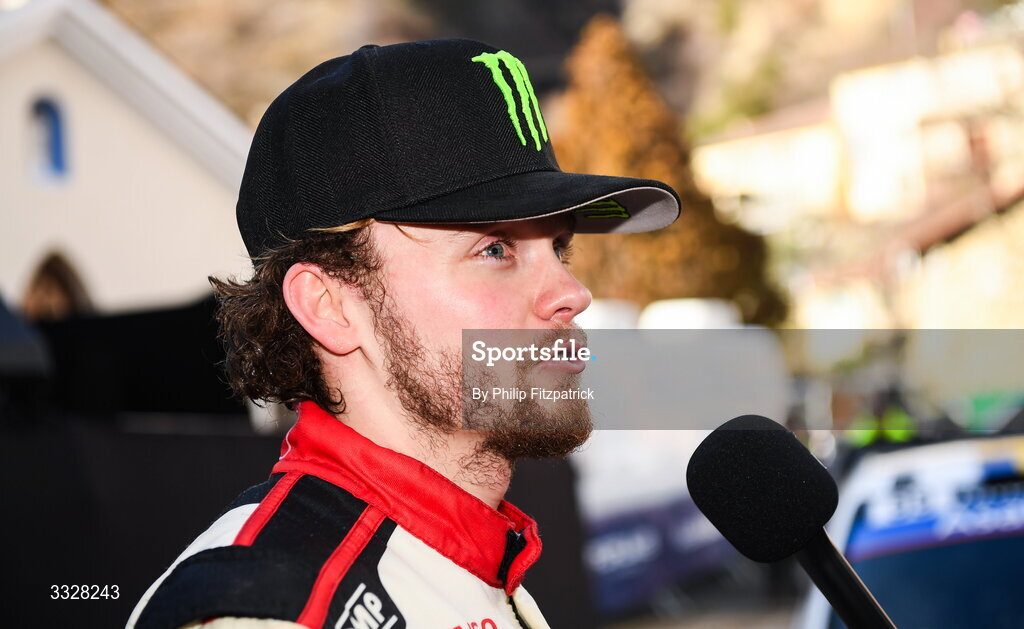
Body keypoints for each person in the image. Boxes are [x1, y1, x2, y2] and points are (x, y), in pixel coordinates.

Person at [127, 38, 680, 629]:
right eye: (494, 249)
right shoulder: (269, 611)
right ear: (331, 307)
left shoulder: (472, 559)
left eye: (560, 250)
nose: (572, 294)